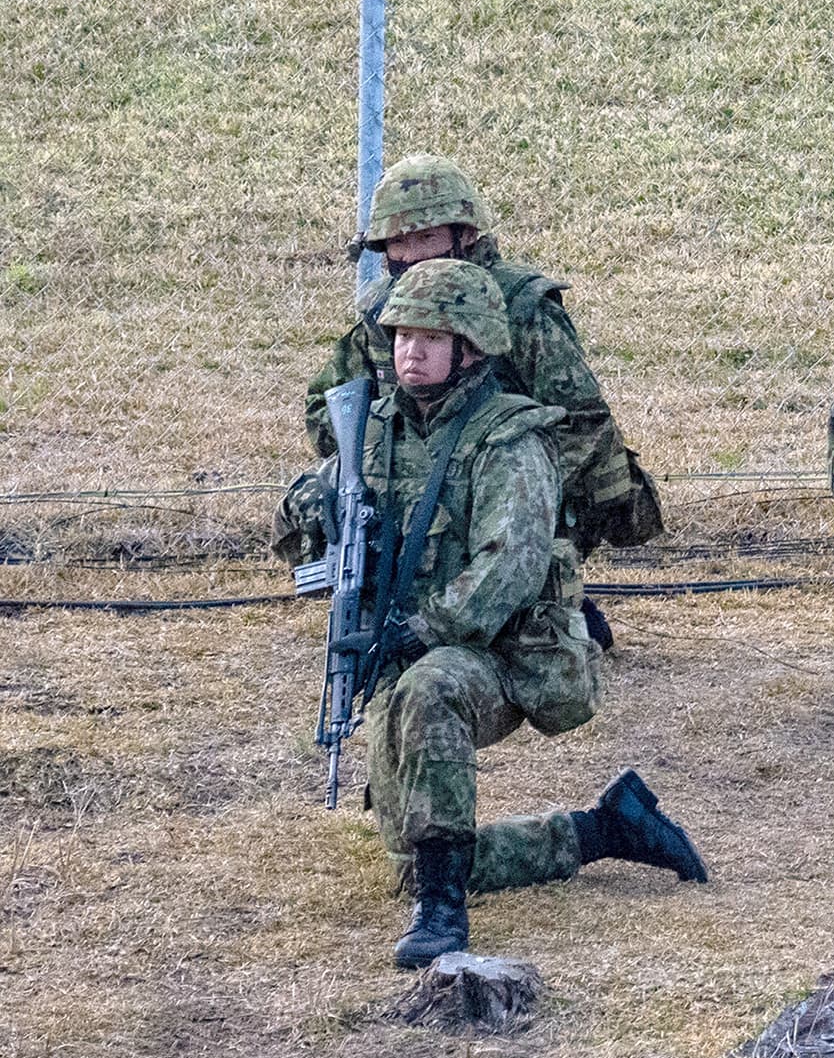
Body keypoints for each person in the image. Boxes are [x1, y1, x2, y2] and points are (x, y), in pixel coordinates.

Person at [277, 260, 706, 970]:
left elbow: (509, 567)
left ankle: (444, 920)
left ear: (471, 347)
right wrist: (311, 508)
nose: (409, 351)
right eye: (401, 336)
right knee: (415, 857)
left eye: (429, 337)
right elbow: (303, 525)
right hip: (406, 648)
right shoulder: (374, 431)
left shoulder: (510, 439)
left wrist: (419, 631)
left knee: (431, 689)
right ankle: (602, 830)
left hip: (506, 652)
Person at [306, 151, 662, 648]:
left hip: (517, 472)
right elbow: (328, 406)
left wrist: (504, 478)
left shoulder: (521, 306)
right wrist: (382, 461)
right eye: (397, 242)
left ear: (466, 235)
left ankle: (549, 602)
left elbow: (581, 423)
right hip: (424, 476)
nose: (411, 255)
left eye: (426, 238)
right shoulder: (383, 311)